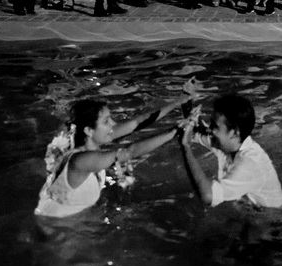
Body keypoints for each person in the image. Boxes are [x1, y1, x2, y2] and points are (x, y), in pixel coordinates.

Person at [36, 90, 196, 218]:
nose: (113, 125)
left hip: (73, 220)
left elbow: (137, 123)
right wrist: (176, 131)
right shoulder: (81, 160)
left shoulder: (92, 144)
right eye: (106, 121)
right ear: (89, 131)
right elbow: (129, 152)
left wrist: (178, 101)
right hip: (57, 231)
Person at [179, 94, 282, 209]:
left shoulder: (249, 163)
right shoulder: (228, 143)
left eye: (215, 126)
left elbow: (208, 196)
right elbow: (192, 134)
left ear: (235, 133)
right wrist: (187, 107)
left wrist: (186, 148)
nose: (210, 130)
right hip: (256, 211)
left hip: (277, 223)